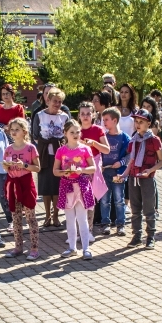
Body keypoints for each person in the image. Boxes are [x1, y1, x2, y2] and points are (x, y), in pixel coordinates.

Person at [54, 119, 96, 259]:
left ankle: (86, 249)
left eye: (77, 131)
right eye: (72, 132)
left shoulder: (85, 149)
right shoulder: (61, 150)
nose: (75, 134)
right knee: (69, 219)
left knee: (82, 219)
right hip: (67, 186)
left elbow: (93, 168)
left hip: (81, 186)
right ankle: (72, 247)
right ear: (65, 133)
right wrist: (63, 172)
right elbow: (55, 170)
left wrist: (81, 170)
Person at [123, 109, 162, 248]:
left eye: (141, 122)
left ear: (149, 123)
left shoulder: (154, 140)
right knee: (135, 209)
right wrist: (124, 174)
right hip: (133, 177)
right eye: (136, 121)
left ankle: (150, 236)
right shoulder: (134, 139)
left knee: (149, 208)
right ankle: (136, 236)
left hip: (147, 178)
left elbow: (161, 161)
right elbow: (131, 160)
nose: (138, 124)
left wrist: (150, 170)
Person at [3, 118, 41, 260]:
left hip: (25, 183)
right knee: (16, 217)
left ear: (24, 132)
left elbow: (37, 168)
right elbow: (6, 166)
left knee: (30, 217)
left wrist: (24, 165)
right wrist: (6, 166)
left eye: (16, 129)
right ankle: (18, 247)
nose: (13, 132)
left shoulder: (30, 148)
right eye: (12, 129)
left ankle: (34, 248)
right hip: (13, 183)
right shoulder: (8, 149)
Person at [32, 87, 69, 228]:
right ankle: (47, 215)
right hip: (44, 154)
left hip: (60, 155)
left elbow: (68, 134)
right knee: (45, 186)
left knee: (58, 187)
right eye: (55, 101)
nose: (57, 104)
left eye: (60, 102)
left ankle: (56, 216)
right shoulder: (39, 115)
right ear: (48, 100)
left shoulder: (65, 116)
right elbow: (35, 135)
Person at [79, 102, 109, 238]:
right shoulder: (76, 130)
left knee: (89, 198)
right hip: (78, 168)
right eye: (82, 114)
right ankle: (79, 231)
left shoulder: (98, 130)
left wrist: (94, 143)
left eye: (88, 114)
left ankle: (89, 230)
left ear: (93, 115)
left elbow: (106, 149)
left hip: (93, 166)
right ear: (79, 116)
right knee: (78, 200)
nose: (85, 116)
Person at [99, 107, 129, 236]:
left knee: (119, 200)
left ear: (115, 120)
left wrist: (121, 163)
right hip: (105, 172)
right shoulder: (103, 137)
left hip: (118, 173)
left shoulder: (124, 137)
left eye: (106, 119)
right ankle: (105, 223)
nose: (104, 122)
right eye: (103, 119)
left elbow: (129, 155)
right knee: (104, 200)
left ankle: (120, 224)